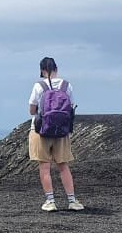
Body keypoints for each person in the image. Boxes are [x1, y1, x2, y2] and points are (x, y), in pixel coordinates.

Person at [28, 57, 83, 212]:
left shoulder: (39, 86)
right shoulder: (66, 85)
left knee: (45, 167)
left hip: (41, 131)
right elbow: (71, 107)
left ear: (42, 70)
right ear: (56, 69)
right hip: (62, 131)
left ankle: (50, 202)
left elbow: (32, 110)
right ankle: (72, 201)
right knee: (63, 166)